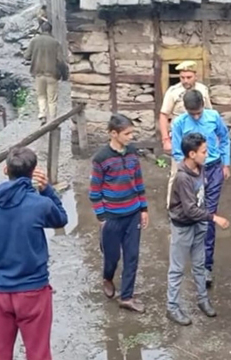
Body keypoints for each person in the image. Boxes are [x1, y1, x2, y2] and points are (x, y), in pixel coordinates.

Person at [0, 147, 68, 360]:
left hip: (0, 292)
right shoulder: (40, 204)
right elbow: (61, 219)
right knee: (38, 353)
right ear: (34, 172)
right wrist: (47, 190)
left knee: (0, 354)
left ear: (5, 170)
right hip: (34, 291)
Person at [166, 133, 231, 326]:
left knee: (200, 265)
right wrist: (213, 218)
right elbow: (190, 209)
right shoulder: (182, 178)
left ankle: (203, 300)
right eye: (204, 151)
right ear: (192, 154)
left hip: (197, 225)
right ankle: (172, 307)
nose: (207, 154)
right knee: (177, 269)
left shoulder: (200, 168)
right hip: (183, 227)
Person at [89, 114, 149, 313]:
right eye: (127, 133)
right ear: (113, 134)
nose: (131, 137)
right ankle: (107, 277)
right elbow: (95, 191)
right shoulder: (101, 158)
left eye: (132, 132)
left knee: (132, 256)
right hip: (112, 216)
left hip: (133, 213)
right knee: (112, 256)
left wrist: (143, 208)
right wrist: (102, 217)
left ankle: (127, 296)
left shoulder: (132, 153)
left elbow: (138, 181)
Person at [171, 90, 231, 286]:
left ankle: (206, 266)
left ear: (204, 105)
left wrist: (226, 164)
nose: (196, 117)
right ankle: (190, 258)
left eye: (198, 113)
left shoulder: (214, 117)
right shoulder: (180, 123)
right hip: (192, 173)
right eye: (192, 113)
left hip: (213, 169)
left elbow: (225, 138)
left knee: (209, 214)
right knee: (191, 211)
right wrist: (187, 173)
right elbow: (177, 152)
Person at [160, 61, 212, 207]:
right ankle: (173, 205)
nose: (185, 80)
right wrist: (165, 139)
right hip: (180, 137)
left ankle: (199, 203)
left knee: (201, 170)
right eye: (182, 77)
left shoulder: (203, 90)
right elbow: (164, 115)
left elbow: (209, 112)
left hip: (199, 138)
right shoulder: (173, 92)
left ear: (195, 75)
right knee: (177, 172)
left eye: (189, 77)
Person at [25, 21, 63, 125]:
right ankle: (53, 119)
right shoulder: (55, 43)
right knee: (52, 98)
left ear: (41, 30)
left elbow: (26, 56)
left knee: (41, 95)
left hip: (38, 73)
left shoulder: (34, 41)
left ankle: (42, 115)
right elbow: (60, 60)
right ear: (51, 30)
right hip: (52, 74)